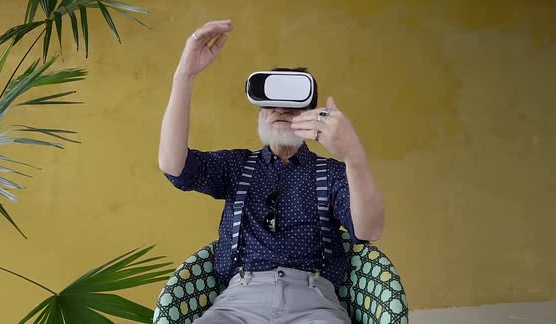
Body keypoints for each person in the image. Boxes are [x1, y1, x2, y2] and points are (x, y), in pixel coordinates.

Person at [157, 19, 385, 324]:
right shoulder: (236, 167)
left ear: (309, 112)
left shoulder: (331, 174)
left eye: (291, 103)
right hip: (237, 303)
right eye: (270, 102)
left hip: (315, 303)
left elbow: (369, 230)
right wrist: (184, 74)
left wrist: (354, 156)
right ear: (259, 110)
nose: (279, 109)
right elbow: (175, 167)